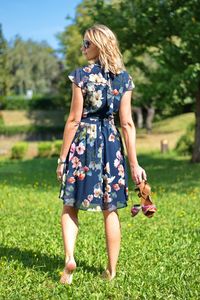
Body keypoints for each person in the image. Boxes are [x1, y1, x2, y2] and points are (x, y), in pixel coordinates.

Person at [56, 24, 147, 285]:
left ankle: (69, 259)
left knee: (70, 205)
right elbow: (127, 124)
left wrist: (63, 159)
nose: (82, 48)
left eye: (86, 43)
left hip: (83, 143)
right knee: (111, 209)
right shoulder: (124, 79)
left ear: (99, 45)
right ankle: (111, 271)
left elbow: (73, 120)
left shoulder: (81, 77)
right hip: (111, 143)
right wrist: (134, 164)